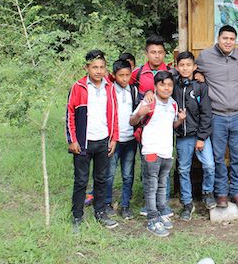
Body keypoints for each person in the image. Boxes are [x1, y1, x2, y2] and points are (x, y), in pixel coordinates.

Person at [196, 25, 238, 207]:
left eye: (232, 39)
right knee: (218, 156)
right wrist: (198, 74)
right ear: (218, 39)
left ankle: (236, 192)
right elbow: (188, 69)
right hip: (217, 115)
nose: (228, 42)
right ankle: (221, 193)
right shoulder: (205, 56)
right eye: (225, 38)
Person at [66, 50, 119, 232]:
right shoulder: (78, 87)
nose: (98, 71)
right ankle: (77, 216)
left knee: (101, 178)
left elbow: (114, 115)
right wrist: (73, 140)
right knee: (81, 180)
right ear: (87, 68)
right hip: (83, 142)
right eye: (94, 67)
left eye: (102, 67)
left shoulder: (109, 87)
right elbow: (70, 114)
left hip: (103, 140)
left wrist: (114, 138)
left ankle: (100, 211)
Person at [130, 71, 186, 237]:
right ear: (155, 86)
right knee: (151, 185)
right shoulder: (148, 102)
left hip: (167, 150)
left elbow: (172, 125)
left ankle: (161, 212)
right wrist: (141, 113)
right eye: (162, 84)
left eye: (169, 85)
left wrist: (181, 120)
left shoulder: (173, 104)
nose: (166, 88)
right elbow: (132, 121)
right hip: (151, 150)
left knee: (162, 184)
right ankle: (152, 219)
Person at [171, 51, 215, 221]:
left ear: (194, 67)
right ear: (177, 67)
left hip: (200, 134)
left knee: (209, 165)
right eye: (181, 65)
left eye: (188, 65)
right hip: (183, 136)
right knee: (183, 170)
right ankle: (187, 203)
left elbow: (206, 113)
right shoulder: (173, 85)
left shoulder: (200, 87)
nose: (185, 68)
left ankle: (207, 192)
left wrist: (202, 137)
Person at [105, 59, 140, 220]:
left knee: (128, 174)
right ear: (114, 76)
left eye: (127, 75)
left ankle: (125, 205)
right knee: (110, 174)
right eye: (121, 75)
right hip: (114, 140)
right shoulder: (109, 90)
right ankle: (107, 203)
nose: (124, 79)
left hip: (130, 139)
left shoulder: (133, 91)